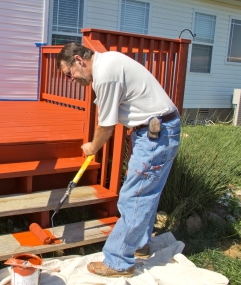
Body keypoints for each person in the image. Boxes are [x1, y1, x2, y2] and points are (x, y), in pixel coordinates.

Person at [57, 42, 181, 277]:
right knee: (146, 192)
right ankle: (138, 245)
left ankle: (117, 262)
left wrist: (92, 147)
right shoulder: (108, 62)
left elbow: (106, 126)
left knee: (134, 196)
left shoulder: (106, 75)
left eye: (69, 73)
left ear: (78, 60)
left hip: (156, 135)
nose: (71, 78)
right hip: (155, 131)